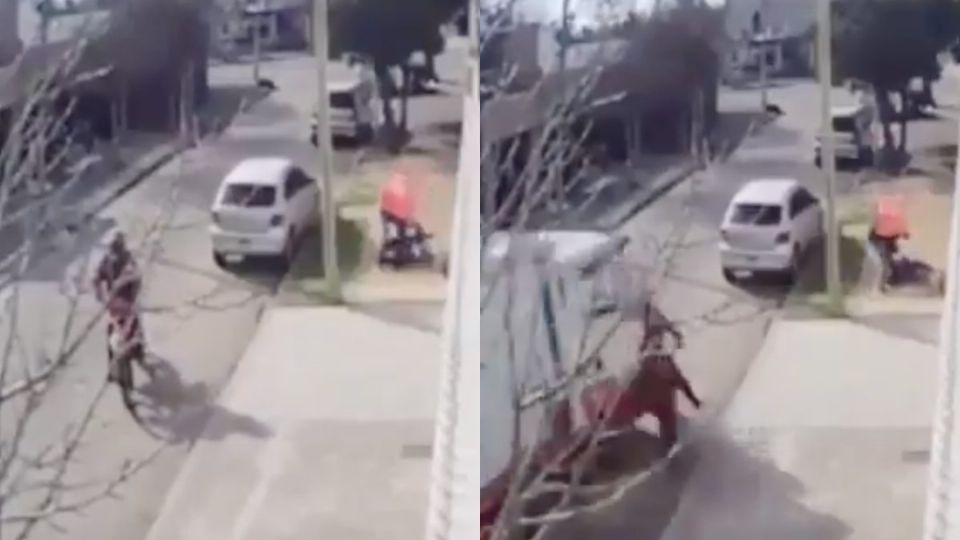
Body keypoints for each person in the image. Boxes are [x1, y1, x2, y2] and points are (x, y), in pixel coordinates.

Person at [630, 332, 701, 453]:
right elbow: (635, 385)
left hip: (662, 403)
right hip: (649, 400)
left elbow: (682, 384)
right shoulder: (650, 364)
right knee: (635, 416)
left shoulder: (667, 365)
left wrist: (694, 400)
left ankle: (667, 446)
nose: (660, 361)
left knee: (669, 427)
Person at [93, 232, 141, 306]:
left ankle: (128, 300)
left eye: (121, 239)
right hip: (114, 291)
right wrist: (99, 293)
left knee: (135, 277)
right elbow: (99, 275)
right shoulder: (109, 257)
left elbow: (136, 275)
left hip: (125, 292)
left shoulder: (127, 256)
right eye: (118, 239)